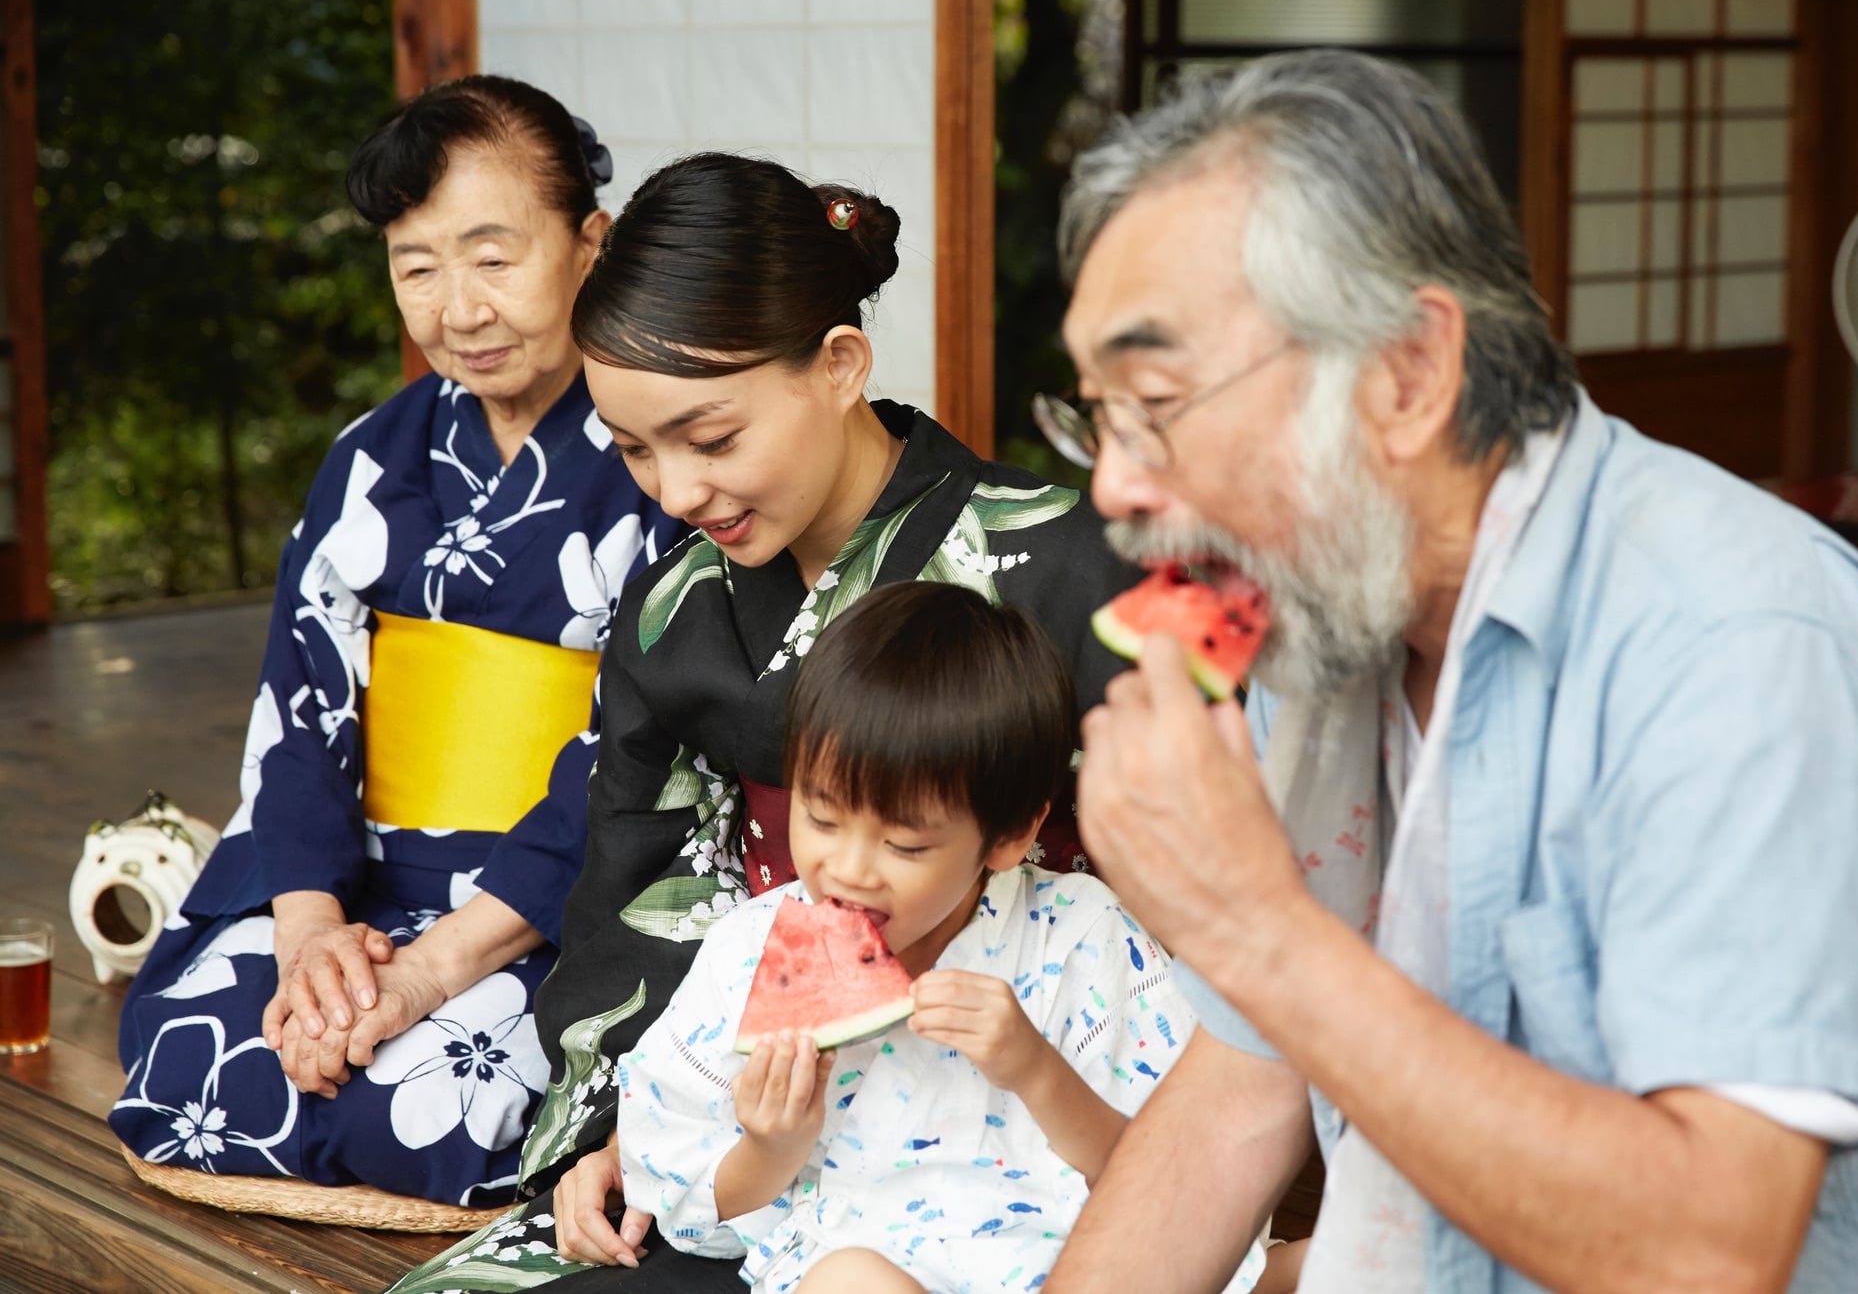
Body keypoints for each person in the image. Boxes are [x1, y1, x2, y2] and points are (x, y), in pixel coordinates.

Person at [1038, 50, 1858, 1293]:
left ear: (1404, 375)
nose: (1111, 484)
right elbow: (1239, 1094)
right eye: (1095, 415)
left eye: (1154, 403)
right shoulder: (1323, 607)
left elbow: (1706, 1253)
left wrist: (1253, 925)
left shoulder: (1735, 645)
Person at [386, 152, 1140, 1293]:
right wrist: (611, 1133)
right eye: (635, 449)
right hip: (752, 1130)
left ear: (839, 366)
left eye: (711, 438)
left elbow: (1180, 879)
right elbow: (639, 886)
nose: (676, 493)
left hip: (1012, 1128)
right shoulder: (671, 614)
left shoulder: (1066, 560)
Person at [111, 75, 679, 1207]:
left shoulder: (664, 458)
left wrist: (429, 969)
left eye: (491, 257)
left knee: (441, 1088)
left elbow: (643, 745)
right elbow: (301, 704)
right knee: (193, 1037)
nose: (455, 308)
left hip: (544, 892)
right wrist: (315, 930)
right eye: (416, 266)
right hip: (367, 870)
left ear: (589, 244)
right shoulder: (371, 457)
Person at [615, 580, 1254, 1293]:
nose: (848, 868)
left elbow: (1177, 1184)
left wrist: (1036, 1071)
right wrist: (771, 1146)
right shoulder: (749, 950)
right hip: (862, 1264)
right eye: (822, 819)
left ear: (1012, 836)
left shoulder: (1082, 933)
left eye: (905, 845)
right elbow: (677, 1196)